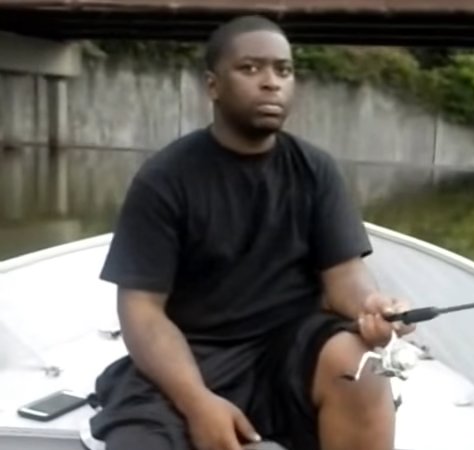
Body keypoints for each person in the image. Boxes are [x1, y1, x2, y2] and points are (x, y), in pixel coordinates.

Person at [88, 14, 415, 450]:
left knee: (360, 367)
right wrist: (198, 403)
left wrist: (371, 308)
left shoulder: (316, 170)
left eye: (284, 70)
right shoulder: (165, 178)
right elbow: (142, 313)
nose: (271, 82)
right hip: (191, 358)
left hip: (289, 351)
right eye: (250, 68)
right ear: (213, 85)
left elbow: (344, 278)